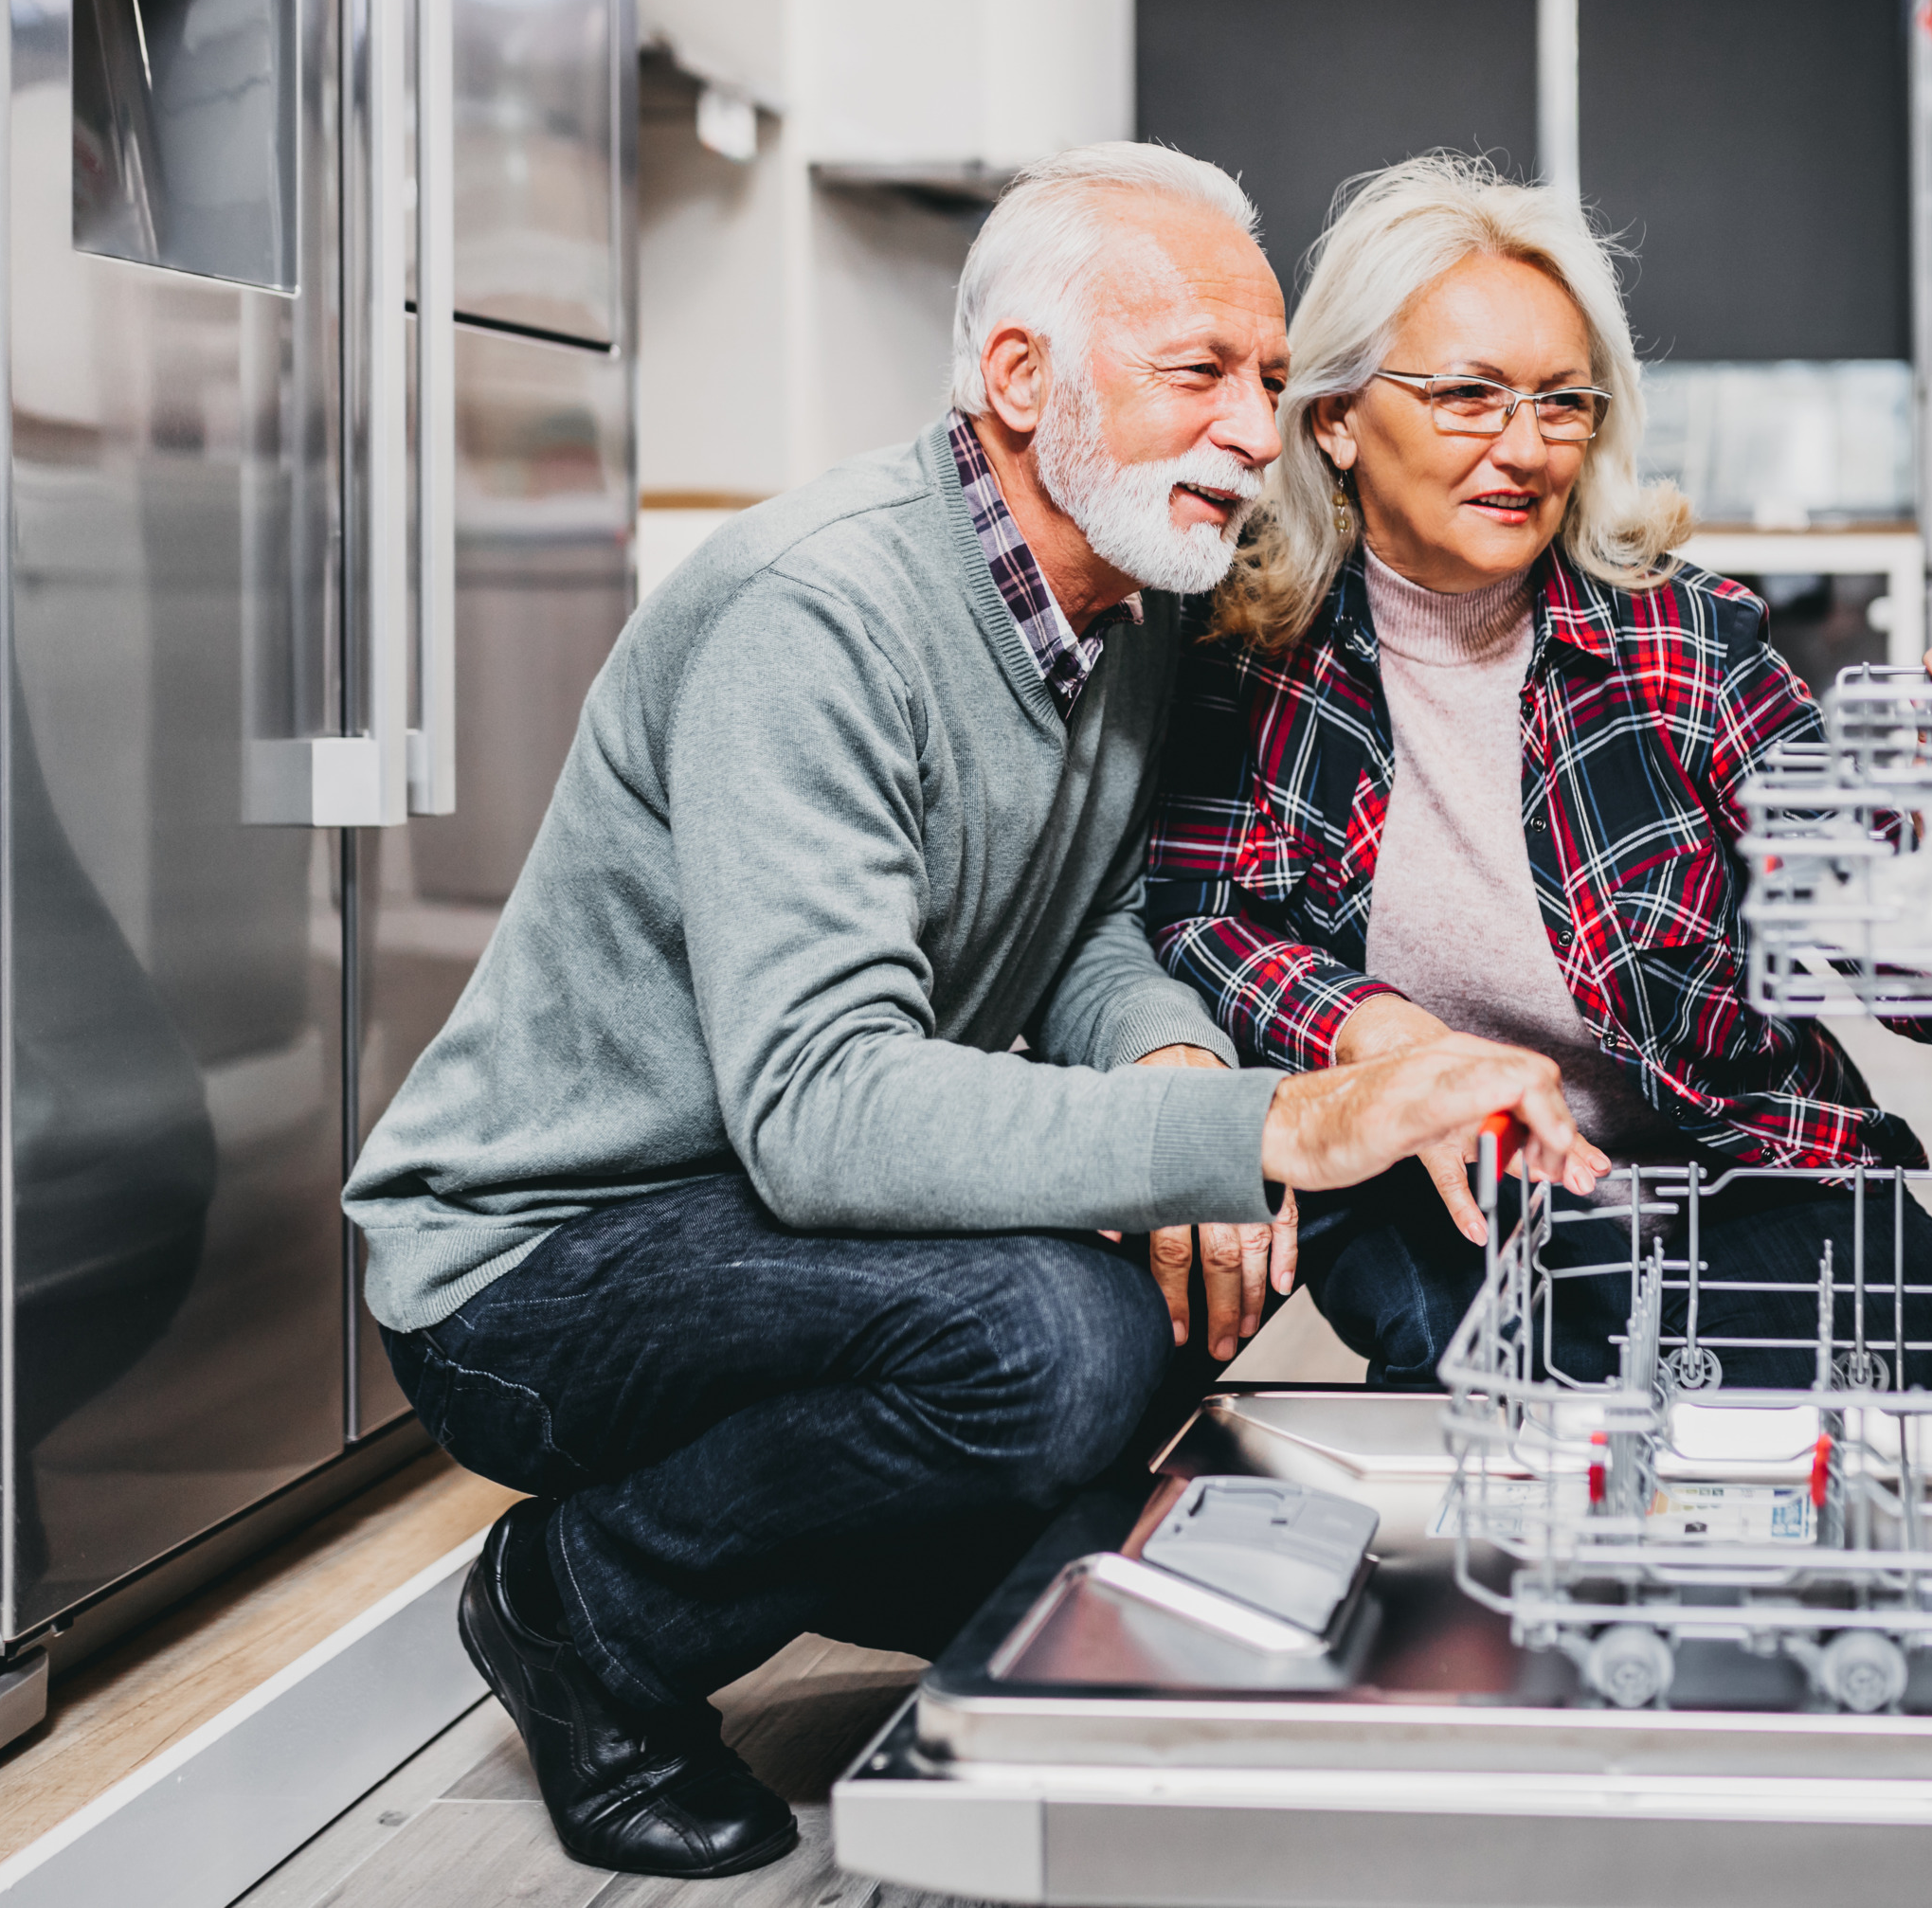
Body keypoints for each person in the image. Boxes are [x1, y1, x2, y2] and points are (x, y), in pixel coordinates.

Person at [343, 143, 1605, 1881]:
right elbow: (823, 1104)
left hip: (742, 1220)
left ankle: (920, 1568)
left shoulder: (1125, 589)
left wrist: (1171, 1056)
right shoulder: (820, 613)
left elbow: (1083, 923)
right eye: (1200, 375)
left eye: (1262, 376)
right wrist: (1264, 1118)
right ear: (1021, 380)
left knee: (1172, 1284)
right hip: (537, 1258)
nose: (1254, 426)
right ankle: (584, 1609)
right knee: (1049, 1338)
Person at [1147, 153, 1932, 1395]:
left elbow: (1920, 980)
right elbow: (1196, 924)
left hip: (1731, 1171)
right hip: (1447, 1195)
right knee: (1526, 1394)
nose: (1526, 447)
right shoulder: (1252, 653)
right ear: (1334, 417)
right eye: (1468, 395)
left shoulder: (1688, 643)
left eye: (1563, 402)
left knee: (1917, 1352)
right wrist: (1375, 1036)